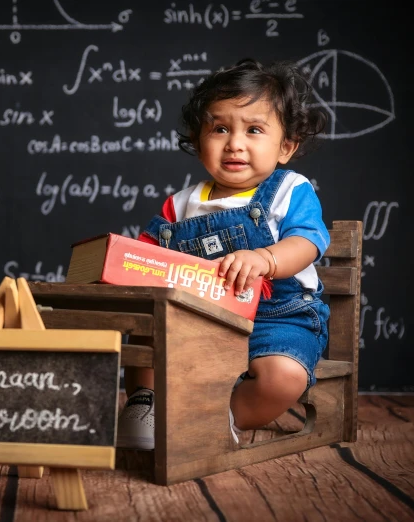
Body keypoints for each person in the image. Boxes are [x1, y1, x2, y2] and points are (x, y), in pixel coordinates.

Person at [117, 58, 330, 450]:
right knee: (147, 332)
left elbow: (307, 242)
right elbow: (145, 256)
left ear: (285, 146)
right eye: (219, 129)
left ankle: (221, 419)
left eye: (253, 129)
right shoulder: (181, 204)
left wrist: (266, 258)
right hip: (197, 317)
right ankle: (145, 402)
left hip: (278, 316)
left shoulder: (289, 190)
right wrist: (122, 267)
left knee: (283, 375)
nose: (234, 143)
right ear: (199, 143)